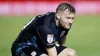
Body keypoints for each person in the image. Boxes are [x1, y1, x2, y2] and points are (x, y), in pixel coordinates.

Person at [11, 3, 77, 56]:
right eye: (68, 18)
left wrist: (62, 47)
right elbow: (52, 54)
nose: (71, 21)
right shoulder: (44, 26)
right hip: (23, 47)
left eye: (72, 18)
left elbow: (63, 35)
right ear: (58, 16)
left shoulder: (65, 23)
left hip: (42, 45)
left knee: (71, 53)